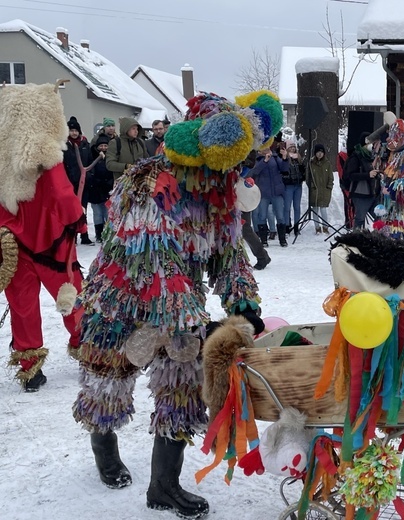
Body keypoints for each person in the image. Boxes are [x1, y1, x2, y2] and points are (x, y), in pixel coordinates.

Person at [73, 90, 277, 518]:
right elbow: (156, 259)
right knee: (107, 383)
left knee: (183, 389)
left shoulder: (218, 190)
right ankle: (104, 446)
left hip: (183, 309)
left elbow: (227, 252)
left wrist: (243, 299)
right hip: (121, 302)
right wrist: (188, 317)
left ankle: (163, 485)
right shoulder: (149, 183)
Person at [0, 82, 86, 391]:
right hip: (50, 242)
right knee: (71, 294)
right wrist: (78, 222)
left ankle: (30, 368)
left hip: (10, 242)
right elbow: (62, 195)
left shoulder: (2, 156)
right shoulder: (44, 152)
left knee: (22, 305)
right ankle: (85, 346)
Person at [373, 118, 404, 239]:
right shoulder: (395, 155)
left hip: (403, 209)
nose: (390, 139)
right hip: (390, 206)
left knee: (402, 236)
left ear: (402, 138)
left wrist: (393, 187)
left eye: (394, 136)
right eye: (390, 136)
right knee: (388, 235)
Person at [63, 116, 94, 244]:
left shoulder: (85, 145)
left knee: (83, 209)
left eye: (76, 130)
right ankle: (72, 236)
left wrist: (89, 176)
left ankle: (84, 234)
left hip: (84, 183)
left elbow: (91, 161)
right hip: (70, 183)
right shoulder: (65, 146)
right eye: (71, 130)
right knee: (71, 210)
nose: (74, 133)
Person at [250, 144, 287, 246]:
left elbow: (284, 169)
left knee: (280, 216)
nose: (267, 150)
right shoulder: (257, 160)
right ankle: (264, 240)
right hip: (263, 192)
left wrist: (284, 158)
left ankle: (282, 240)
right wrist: (264, 161)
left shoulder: (275, 158)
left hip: (276, 191)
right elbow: (255, 172)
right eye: (264, 148)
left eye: (268, 147)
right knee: (262, 216)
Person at [344, 132, 378, 229]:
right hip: (360, 193)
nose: (372, 145)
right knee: (360, 219)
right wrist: (367, 175)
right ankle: (356, 238)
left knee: (379, 217)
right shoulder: (356, 157)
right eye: (370, 143)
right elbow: (350, 175)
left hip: (372, 193)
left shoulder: (372, 157)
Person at [86, 134, 115, 243]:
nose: (103, 148)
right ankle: (99, 233)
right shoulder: (92, 156)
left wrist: (109, 182)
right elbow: (89, 170)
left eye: (105, 146)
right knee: (97, 213)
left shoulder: (111, 157)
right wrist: (94, 181)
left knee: (107, 212)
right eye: (101, 146)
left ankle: (107, 232)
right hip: (95, 189)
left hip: (108, 188)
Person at [307, 143, 333, 234]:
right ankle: (317, 227)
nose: (320, 154)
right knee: (315, 209)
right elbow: (308, 177)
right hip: (315, 191)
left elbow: (331, 177)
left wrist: (329, 187)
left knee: (323, 209)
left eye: (321, 152)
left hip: (325, 191)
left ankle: (325, 227)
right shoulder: (311, 163)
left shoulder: (327, 163)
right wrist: (312, 187)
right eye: (318, 152)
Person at [281, 140, 305, 235]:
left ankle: (296, 226)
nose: (292, 148)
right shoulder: (286, 158)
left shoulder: (298, 158)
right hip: (288, 185)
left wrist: (303, 176)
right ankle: (286, 225)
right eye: (290, 147)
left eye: (294, 147)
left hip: (298, 185)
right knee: (287, 207)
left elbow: (302, 170)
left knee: (297, 206)